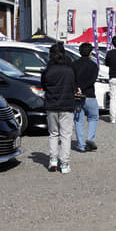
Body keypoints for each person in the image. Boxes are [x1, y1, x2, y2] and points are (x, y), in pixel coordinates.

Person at [40, 42, 77, 174]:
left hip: (51, 105)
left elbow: (44, 86)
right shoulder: (69, 70)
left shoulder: (47, 70)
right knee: (66, 135)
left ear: (51, 55)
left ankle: (53, 160)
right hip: (67, 105)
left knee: (53, 134)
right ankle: (65, 164)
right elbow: (73, 86)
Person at [72, 42, 100, 153]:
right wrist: (83, 88)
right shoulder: (94, 65)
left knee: (78, 120)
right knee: (93, 117)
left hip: (77, 97)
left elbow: (71, 80)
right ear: (90, 53)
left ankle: (81, 145)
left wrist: (77, 88)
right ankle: (90, 139)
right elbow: (92, 80)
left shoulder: (74, 65)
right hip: (89, 95)